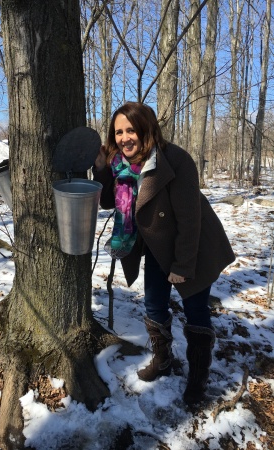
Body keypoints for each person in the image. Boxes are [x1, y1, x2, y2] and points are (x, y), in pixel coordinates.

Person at [93, 102, 235, 405]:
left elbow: (189, 218)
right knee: (155, 305)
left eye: (131, 129)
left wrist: (183, 263)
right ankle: (163, 360)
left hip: (193, 244)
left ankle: (198, 376)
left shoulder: (174, 159)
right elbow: (107, 202)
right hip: (157, 247)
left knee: (196, 310)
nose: (124, 137)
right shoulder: (119, 164)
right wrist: (102, 167)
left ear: (147, 128)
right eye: (118, 131)